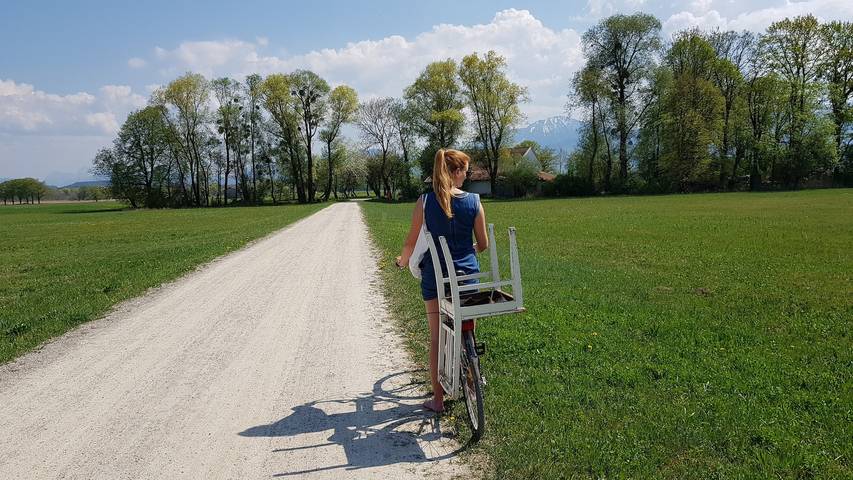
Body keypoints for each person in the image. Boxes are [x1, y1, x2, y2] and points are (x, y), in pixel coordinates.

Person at [395, 148, 489, 413]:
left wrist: (402, 262)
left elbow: (410, 243)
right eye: (465, 171)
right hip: (467, 278)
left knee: (437, 337)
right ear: (456, 172)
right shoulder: (474, 201)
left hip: (436, 279)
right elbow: (483, 244)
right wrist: (467, 249)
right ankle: (472, 377)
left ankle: (438, 400)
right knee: (467, 328)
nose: (466, 176)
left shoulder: (425, 202)